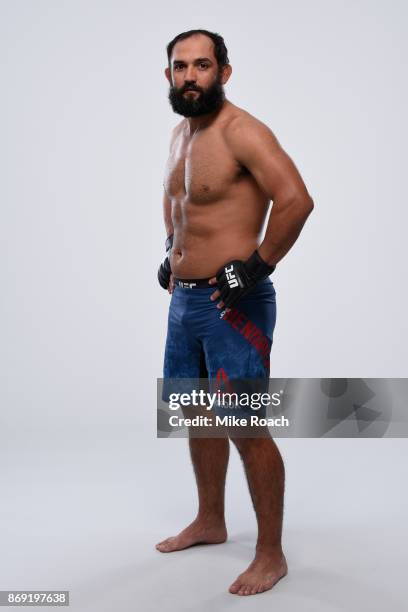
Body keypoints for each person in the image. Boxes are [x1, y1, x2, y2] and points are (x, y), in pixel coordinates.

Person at [156, 29, 314, 597]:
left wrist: (257, 266)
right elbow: (185, 208)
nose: (190, 76)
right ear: (168, 75)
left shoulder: (242, 131)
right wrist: (169, 255)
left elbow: (297, 198)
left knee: (247, 426)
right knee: (197, 415)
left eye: (202, 65)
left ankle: (270, 554)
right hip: (185, 301)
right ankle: (210, 520)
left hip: (233, 305)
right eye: (180, 67)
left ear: (224, 72)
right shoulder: (181, 134)